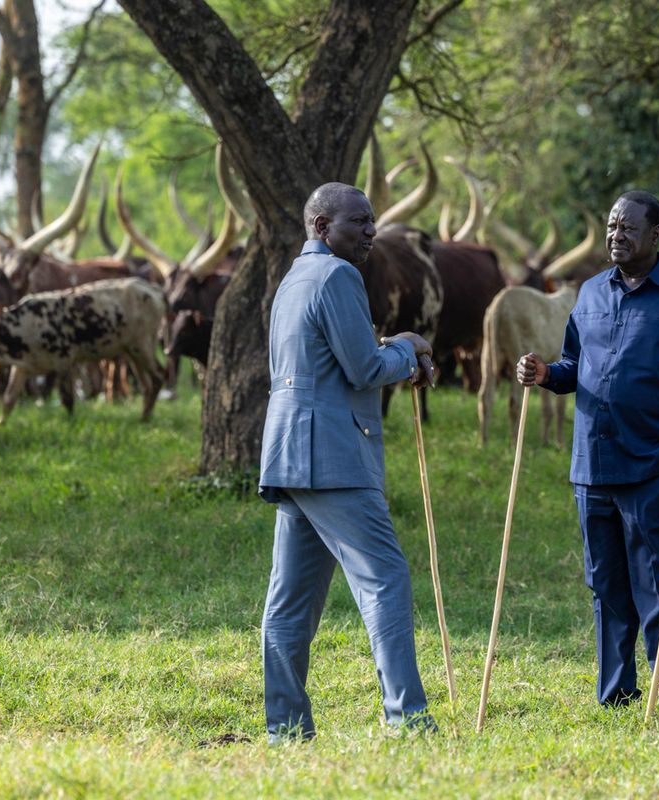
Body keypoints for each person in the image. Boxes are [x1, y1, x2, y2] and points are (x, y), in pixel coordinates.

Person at [517, 190, 659, 707]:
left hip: (655, 463)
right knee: (604, 585)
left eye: (628, 228)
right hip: (592, 463)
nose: (616, 236)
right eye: (611, 227)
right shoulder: (588, 293)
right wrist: (545, 374)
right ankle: (616, 692)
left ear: (655, 235)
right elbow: (572, 365)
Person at [258, 182, 437, 741]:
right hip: (333, 455)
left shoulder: (293, 278)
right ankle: (407, 723)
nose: (370, 231)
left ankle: (285, 731)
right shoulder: (338, 276)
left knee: (291, 601)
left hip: (289, 453)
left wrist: (394, 346)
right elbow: (362, 368)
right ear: (320, 226)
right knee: (384, 579)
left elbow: (329, 361)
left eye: (371, 220)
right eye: (357, 221)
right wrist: (408, 348)